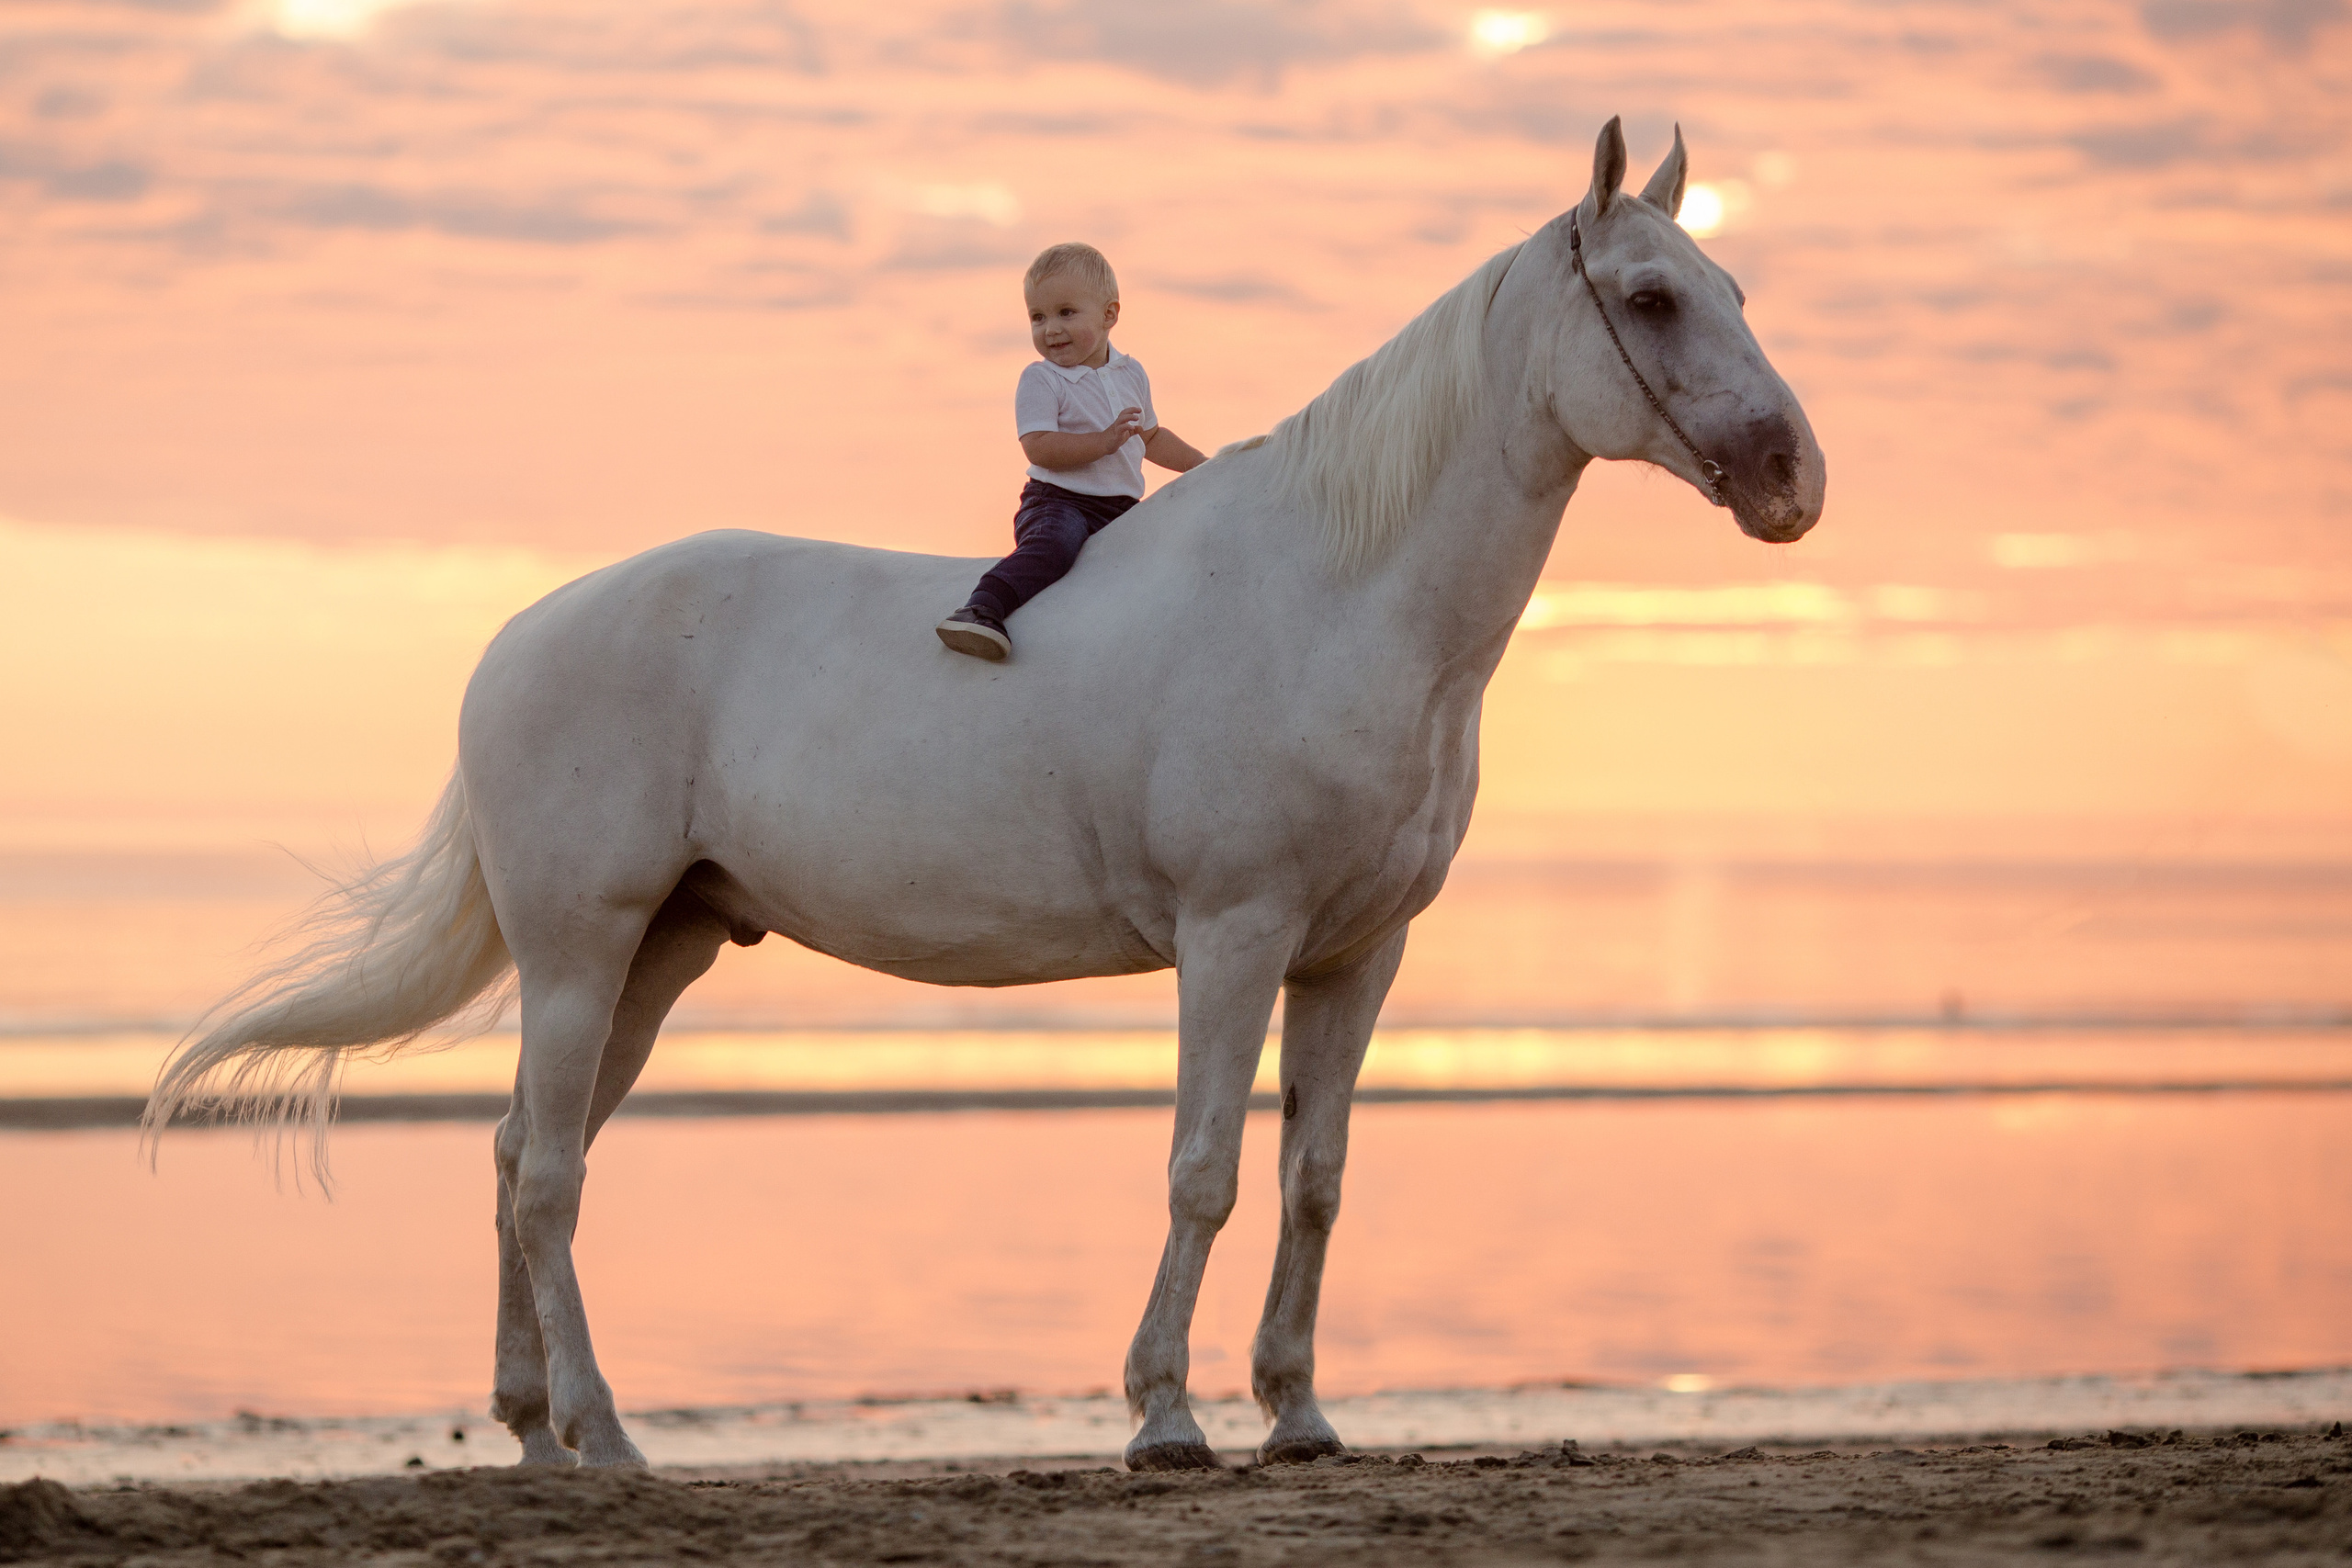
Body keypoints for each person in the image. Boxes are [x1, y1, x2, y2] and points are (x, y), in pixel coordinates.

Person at [935, 243, 1206, 660]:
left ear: (1110, 315)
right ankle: (981, 607)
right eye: (1037, 317)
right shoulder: (1042, 380)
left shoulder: (1131, 372)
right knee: (1054, 547)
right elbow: (1039, 447)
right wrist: (1104, 441)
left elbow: (1150, 438)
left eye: (1066, 313)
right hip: (1059, 502)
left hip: (1121, 508)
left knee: (1164, 554)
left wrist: (1206, 468)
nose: (1050, 329)